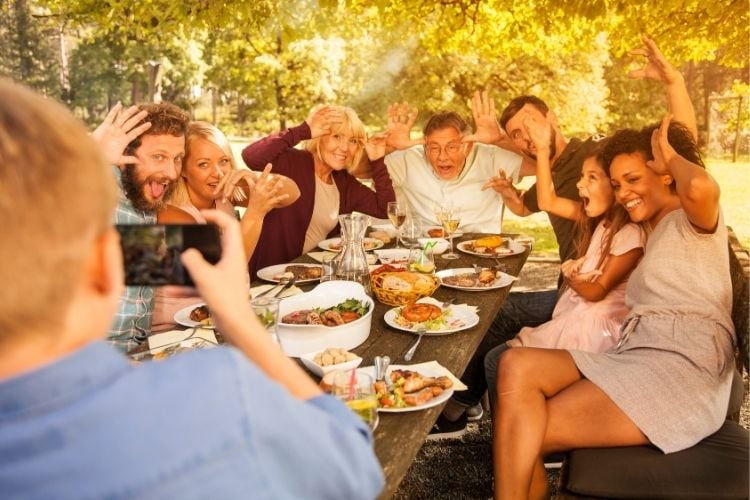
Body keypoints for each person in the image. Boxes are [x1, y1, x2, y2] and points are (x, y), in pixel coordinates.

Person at [0, 79, 384, 499]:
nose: (168, 169)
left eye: (177, 158)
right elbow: (351, 465)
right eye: (162, 158)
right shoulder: (214, 385)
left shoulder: (146, 211)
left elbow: (272, 204)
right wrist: (238, 316)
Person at [427, 36, 698, 438]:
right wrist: (507, 177)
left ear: (551, 117)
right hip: (574, 285)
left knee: (498, 315)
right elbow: (532, 202)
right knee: (494, 312)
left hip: (597, 297)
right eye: (516, 134)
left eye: (531, 126)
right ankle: (471, 408)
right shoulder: (549, 175)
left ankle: (489, 418)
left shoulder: (596, 155)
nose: (525, 138)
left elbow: (677, 152)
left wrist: (673, 83)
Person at [492, 115, 734, 499]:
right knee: (515, 364)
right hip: (637, 355)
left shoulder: (693, 222)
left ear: (666, 175)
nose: (623, 193)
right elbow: (561, 202)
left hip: (683, 367)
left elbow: (702, 185)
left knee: (522, 432)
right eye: (619, 184)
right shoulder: (647, 228)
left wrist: (670, 155)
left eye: (634, 180)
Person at [151, 121, 301, 332]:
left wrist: (253, 178)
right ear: (182, 169)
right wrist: (255, 213)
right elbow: (224, 275)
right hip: (177, 332)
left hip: (225, 317)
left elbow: (292, 192)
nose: (219, 173)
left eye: (224, 161)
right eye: (204, 164)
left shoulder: (225, 197)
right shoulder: (170, 214)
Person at [242, 105, 395, 278]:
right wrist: (302, 130)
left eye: (353, 141)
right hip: (271, 279)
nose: (345, 148)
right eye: (337, 136)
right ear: (319, 137)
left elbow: (385, 209)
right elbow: (251, 156)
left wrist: (377, 161)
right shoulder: (292, 162)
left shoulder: (343, 182)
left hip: (313, 278)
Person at [91, 101, 191, 347]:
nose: (172, 172)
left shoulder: (144, 200)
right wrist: (87, 155)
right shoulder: (93, 191)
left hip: (136, 350)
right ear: (123, 153)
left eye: (178, 159)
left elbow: (133, 298)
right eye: (159, 157)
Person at [382, 101, 528, 233]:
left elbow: (541, 165)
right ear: (425, 146)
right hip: (425, 253)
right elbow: (361, 171)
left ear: (468, 146)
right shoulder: (409, 159)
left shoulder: (491, 157)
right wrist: (388, 148)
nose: (442, 157)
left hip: (482, 252)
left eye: (452, 147)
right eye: (434, 148)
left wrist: (501, 139)